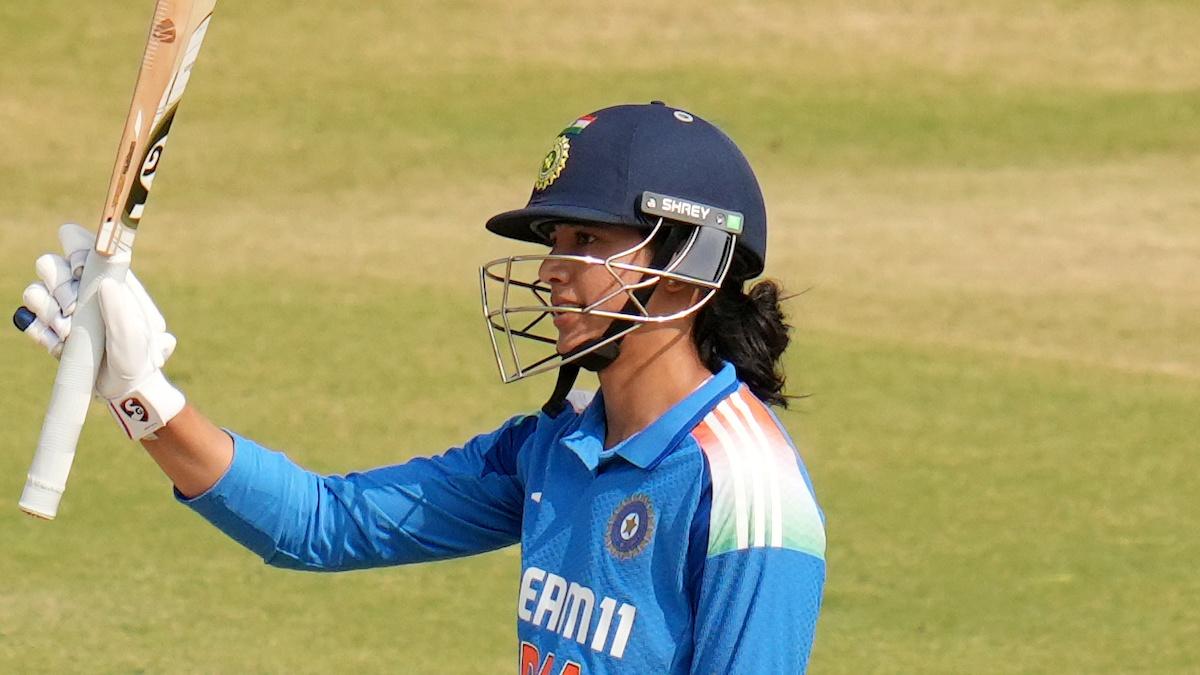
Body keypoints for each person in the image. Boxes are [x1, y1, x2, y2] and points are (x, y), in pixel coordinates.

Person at [15, 102, 826, 672]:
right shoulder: (557, 447)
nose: (550, 269)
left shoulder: (748, 491)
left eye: (587, 240)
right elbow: (322, 524)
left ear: (687, 274)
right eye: (553, 240)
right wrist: (140, 392)